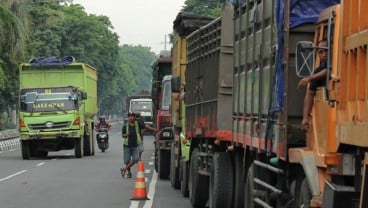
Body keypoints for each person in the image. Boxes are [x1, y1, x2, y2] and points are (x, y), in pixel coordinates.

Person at [297, 40, 328, 131]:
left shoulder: (338, 63)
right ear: (317, 54)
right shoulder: (317, 72)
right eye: (321, 52)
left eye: (326, 50)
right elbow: (310, 94)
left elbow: (329, 71)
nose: (324, 54)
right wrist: (305, 117)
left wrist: (309, 78)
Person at [121, 112, 145, 178]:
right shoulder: (125, 126)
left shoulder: (137, 124)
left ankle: (124, 169)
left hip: (135, 145)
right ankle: (129, 173)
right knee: (127, 160)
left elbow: (144, 126)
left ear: (134, 117)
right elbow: (123, 135)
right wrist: (126, 134)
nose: (131, 118)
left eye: (132, 116)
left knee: (136, 159)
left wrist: (140, 118)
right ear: (128, 118)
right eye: (130, 116)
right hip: (127, 146)